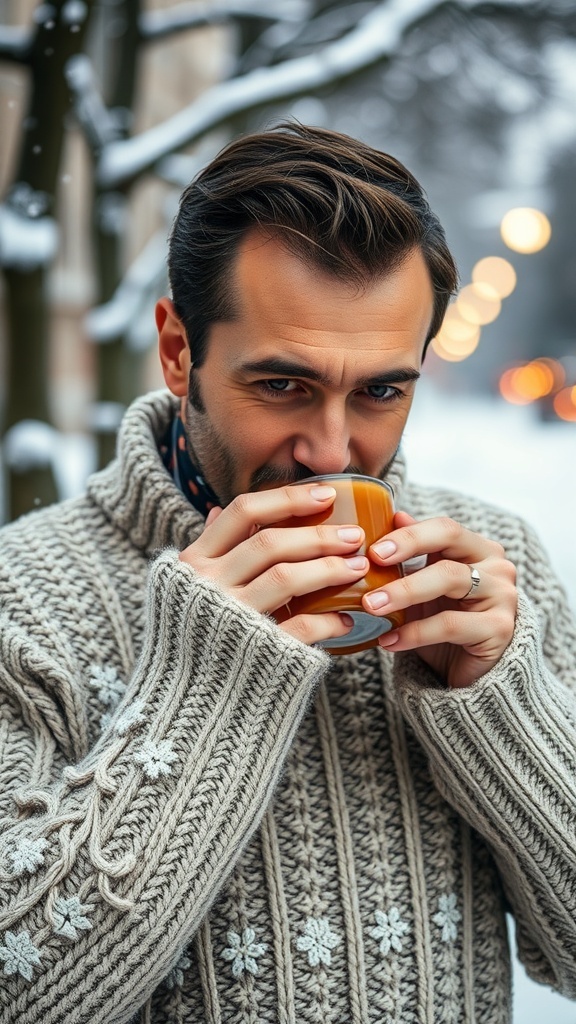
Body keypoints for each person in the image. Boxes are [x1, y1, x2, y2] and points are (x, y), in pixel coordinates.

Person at [0, 123, 574, 1024]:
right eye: (283, 386)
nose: (334, 452)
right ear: (179, 350)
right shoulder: (20, 599)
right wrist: (213, 689)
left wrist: (507, 713)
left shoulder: (494, 575)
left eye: (383, 391)